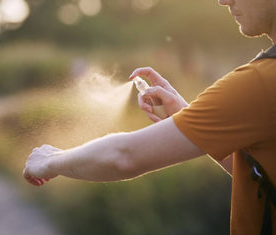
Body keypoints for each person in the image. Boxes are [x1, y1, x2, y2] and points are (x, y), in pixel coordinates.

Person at [23, 0, 276, 234]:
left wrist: (51, 159)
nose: (224, 0)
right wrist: (185, 118)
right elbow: (259, 172)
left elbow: (124, 156)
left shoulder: (260, 82)